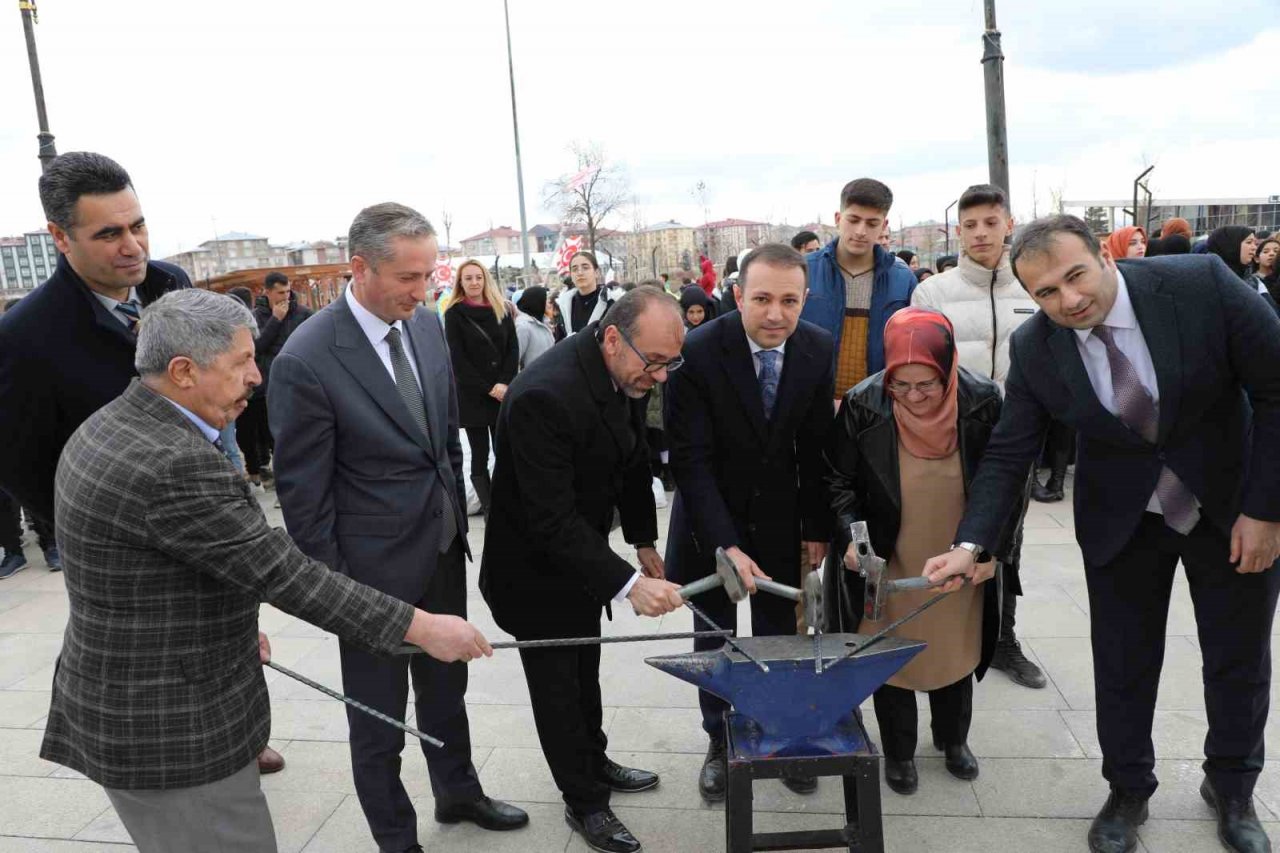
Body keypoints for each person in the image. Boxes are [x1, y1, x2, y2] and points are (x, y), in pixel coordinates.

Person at [41, 288, 494, 853]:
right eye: (241, 363)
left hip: (129, 700)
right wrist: (423, 628)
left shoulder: (112, 423)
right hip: (174, 728)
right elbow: (284, 573)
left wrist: (225, 619)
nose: (257, 376)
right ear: (183, 371)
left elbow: (160, 564)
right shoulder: (176, 461)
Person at [923, 214, 1280, 853]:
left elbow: (1278, 389)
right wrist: (973, 544)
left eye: (1076, 276)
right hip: (1124, 521)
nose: (1069, 301)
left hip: (1231, 507)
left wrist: (1266, 510)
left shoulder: (1199, 284)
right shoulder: (1038, 348)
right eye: (1046, 294)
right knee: (1122, 661)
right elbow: (1010, 453)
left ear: (1105, 256)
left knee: (1238, 657)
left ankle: (1232, 787)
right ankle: (1128, 789)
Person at [269, 204, 527, 853]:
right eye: (408, 277)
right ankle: (396, 837)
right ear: (359, 268)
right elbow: (304, 501)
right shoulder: (307, 358)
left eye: (428, 273)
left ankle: (458, 789)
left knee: (448, 687)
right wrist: (340, 594)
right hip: (367, 577)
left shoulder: (427, 327)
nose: (423, 289)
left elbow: (444, 439)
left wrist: (452, 512)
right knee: (379, 720)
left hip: (440, 549)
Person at [480, 287, 687, 853]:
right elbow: (551, 520)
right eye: (656, 363)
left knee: (585, 673)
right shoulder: (544, 396)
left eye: (672, 362)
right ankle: (586, 804)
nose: (662, 377)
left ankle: (594, 761)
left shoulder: (620, 372)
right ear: (615, 338)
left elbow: (633, 457)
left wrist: (643, 540)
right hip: (533, 573)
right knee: (558, 691)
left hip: (578, 561)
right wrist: (628, 584)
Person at [664, 245, 834, 802]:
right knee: (713, 637)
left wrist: (816, 526)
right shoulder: (697, 351)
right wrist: (725, 544)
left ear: (805, 299)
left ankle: (780, 735)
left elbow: (814, 448)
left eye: (789, 300)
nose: (775, 314)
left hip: (781, 515)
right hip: (708, 516)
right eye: (761, 298)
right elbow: (688, 459)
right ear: (737, 296)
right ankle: (719, 739)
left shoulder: (815, 347)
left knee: (778, 634)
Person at [828, 307, 1015, 795]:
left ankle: (953, 741)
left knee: (955, 645)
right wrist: (852, 538)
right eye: (901, 385)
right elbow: (840, 481)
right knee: (890, 648)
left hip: (960, 546)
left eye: (926, 385)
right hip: (892, 548)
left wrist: (990, 549)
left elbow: (1007, 481)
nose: (913, 396)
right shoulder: (865, 402)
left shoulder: (981, 400)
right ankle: (899, 752)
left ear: (948, 366)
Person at [0, 152, 190, 526]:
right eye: (109, 234)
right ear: (60, 237)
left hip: (205, 507)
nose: (133, 247)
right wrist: (95, 534)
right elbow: (19, 465)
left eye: (137, 226)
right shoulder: (23, 336)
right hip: (123, 550)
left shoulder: (174, 284)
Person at [910, 183, 1047, 689]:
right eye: (970, 225)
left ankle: (1003, 638)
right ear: (958, 231)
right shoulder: (933, 292)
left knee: (1006, 543)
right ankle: (943, 632)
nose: (981, 233)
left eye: (991, 222)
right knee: (952, 538)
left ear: (1008, 223)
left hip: (1018, 438)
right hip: (952, 441)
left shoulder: (1032, 287)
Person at [799, 178, 919, 402]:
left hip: (879, 410)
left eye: (872, 223)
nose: (861, 231)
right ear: (838, 219)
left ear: (884, 226)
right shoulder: (803, 272)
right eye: (853, 220)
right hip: (812, 407)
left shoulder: (902, 279)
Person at [441, 259, 519, 515]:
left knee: (504, 451)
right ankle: (490, 508)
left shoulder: (502, 308)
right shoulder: (454, 313)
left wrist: (505, 382)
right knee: (479, 454)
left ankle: (506, 500)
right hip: (474, 395)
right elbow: (458, 359)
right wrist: (489, 387)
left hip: (502, 393)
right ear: (460, 283)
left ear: (485, 279)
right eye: (468, 278)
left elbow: (512, 349)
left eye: (478, 277)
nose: (474, 282)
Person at [237, 272, 312, 492]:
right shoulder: (255, 317)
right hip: (266, 388)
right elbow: (256, 348)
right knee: (273, 438)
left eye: (287, 291)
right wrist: (275, 320)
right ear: (267, 292)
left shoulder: (303, 313)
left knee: (299, 435)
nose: (285, 297)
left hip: (298, 384)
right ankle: (281, 483)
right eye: (280, 292)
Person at [557, 251, 612, 335]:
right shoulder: (565, 305)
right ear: (571, 275)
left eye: (585, 268)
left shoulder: (610, 302)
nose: (580, 273)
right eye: (575, 269)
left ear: (596, 273)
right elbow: (559, 341)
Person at [514, 285, 556, 368]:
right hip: (532, 379)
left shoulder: (543, 322)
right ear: (536, 301)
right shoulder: (523, 326)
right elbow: (515, 360)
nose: (548, 303)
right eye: (545, 300)